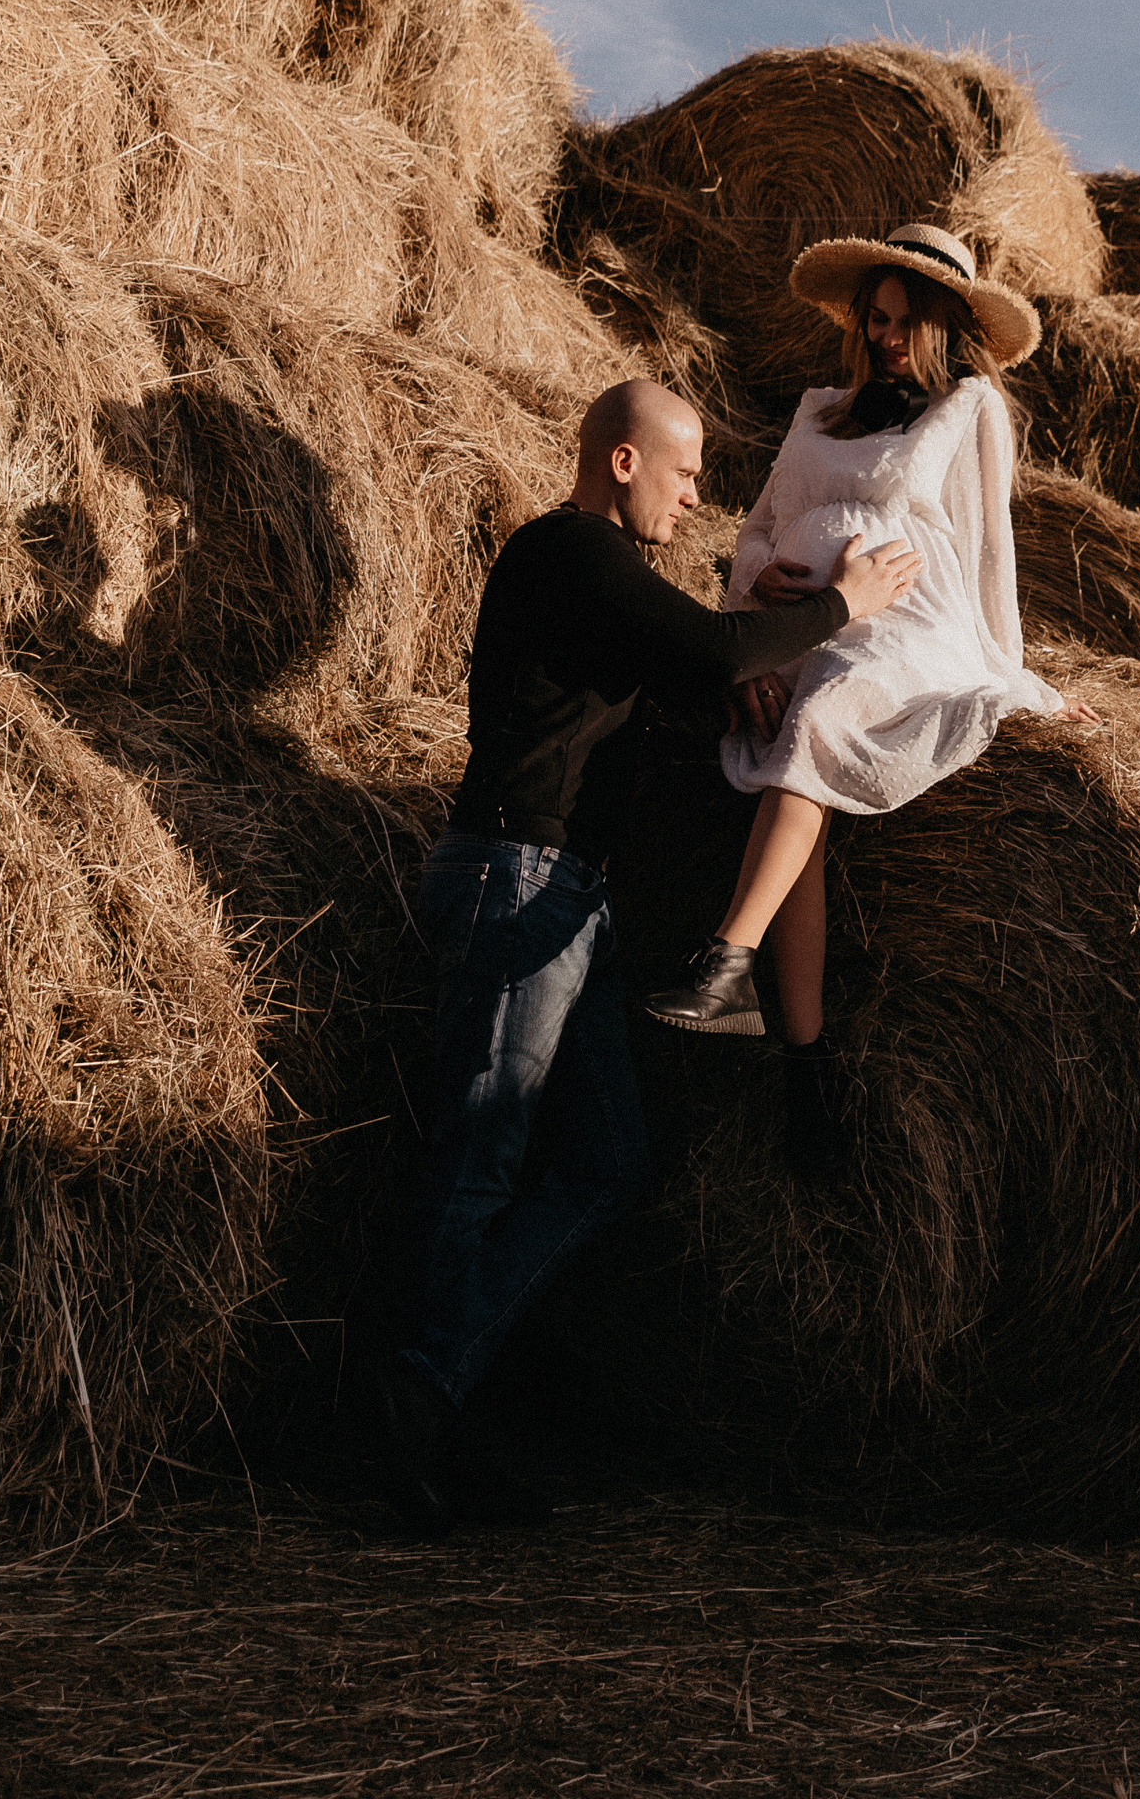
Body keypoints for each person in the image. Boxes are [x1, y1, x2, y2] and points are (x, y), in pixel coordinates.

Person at [366, 375, 920, 1532]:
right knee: (478, 1162)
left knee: (607, 1162)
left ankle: (434, 1386)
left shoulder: (605, 585)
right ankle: (398, 1427)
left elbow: (704, 670)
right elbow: (709, 648)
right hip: (513, 875)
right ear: (623, 464)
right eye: (684, 470)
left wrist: (751, 676)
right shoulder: (566, 554)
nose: (696, 492)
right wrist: (841, 607)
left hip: (574, 899)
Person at [646, 225, 1079, 1164]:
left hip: (909, 621)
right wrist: (751, 611)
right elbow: (759, 527)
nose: (883, 337)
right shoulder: (817, 412)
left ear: (943, 329)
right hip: (801, 626)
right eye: (874, 319)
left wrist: (1017, 676)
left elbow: (984, 552)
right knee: (794, 784)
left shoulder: (970, 412)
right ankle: (804, 1065)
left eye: (901, 322)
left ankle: (727, 958)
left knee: (826, 720)